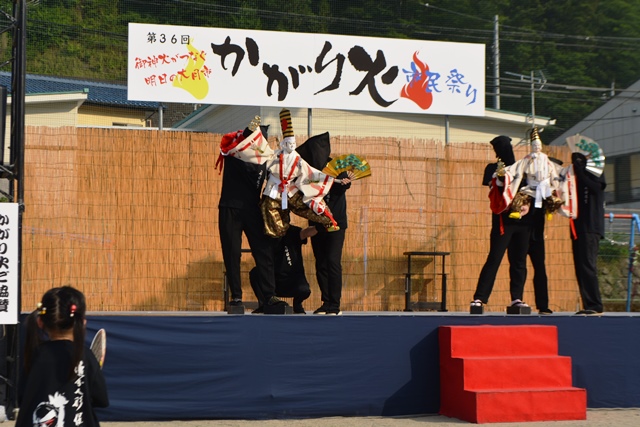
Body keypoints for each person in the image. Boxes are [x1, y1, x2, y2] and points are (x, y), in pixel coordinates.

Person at [216, 121, 287, 311]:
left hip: (253, 208)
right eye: (256, 139)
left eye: (262, 140)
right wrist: (249, 131)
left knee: (264, 250)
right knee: (232, 252)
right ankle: (236, 296)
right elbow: (232, 143)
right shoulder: (234, 152)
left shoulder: (266, 159)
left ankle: (269, 295)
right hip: (230, 207)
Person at [16, 286, 109, 427]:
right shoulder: (86, 357)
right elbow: (101, 400)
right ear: (82, 322)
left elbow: (21, 397)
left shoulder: (33, 356)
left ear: (40, 322)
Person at [471, 135, 534, 312]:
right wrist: (501, 177)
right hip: (502, 221)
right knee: (494, 258)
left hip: (522, 221)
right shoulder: (493, 168)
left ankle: (517, 298)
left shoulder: (521, 167)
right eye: (500, 148)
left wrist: (526, 203)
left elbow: (529, 188)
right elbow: (493, 188)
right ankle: (479, 298)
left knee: (519, 261)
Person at [310, 168, 354, 316]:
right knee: (321, 262)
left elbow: (344, 186)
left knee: (332, 261)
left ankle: (334, 305)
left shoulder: (336, 168)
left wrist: (345, 182)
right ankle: (326, 302)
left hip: (336, 223)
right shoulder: (308, 169)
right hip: (317, 222)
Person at [249, 224, 317, 314]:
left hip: (292, 280)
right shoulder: (265, 233)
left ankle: (297, 304)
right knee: (255, 273)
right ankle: (264, 305)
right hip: (272, 281)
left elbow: (305, 233)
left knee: (304, 290)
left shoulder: (291, 231)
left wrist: (319, 226)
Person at [570, 152, 606, 315]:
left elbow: (596, 188)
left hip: (591, 226)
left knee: (587, 264)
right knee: (579, 266)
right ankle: (588, 303)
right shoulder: (576, 175)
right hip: (578, 226)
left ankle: (595, 304)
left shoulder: (595, 172)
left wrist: (581, 172)